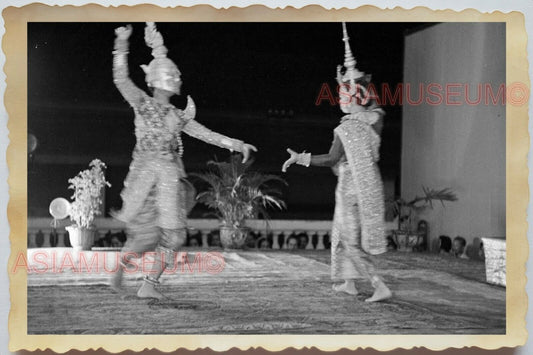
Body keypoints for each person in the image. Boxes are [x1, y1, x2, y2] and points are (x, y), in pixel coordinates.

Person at [110, 23, 257, 299]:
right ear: (158, 79)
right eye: (173, 74)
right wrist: (121, 43)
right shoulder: (141, 102)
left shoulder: (179, 116)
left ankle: (149, 285)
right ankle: (121, 265)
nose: (178, 78)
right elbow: (121, 79)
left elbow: (205, 134)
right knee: (144, 237)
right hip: (145, 178)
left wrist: (235, 144)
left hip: (170, 180)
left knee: (175, 236)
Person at [282, 23, 391, 302]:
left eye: (343, 94)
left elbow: (331, 158)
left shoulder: (345, 128)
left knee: (350, 239)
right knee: (342, 233)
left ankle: (378, 284)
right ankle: (349, 282)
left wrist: (300, 159)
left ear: (354, 98)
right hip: (369, 184)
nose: (339, 98)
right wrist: (355, 79)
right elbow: (375, 104)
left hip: (350, 187)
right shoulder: (375, 121)